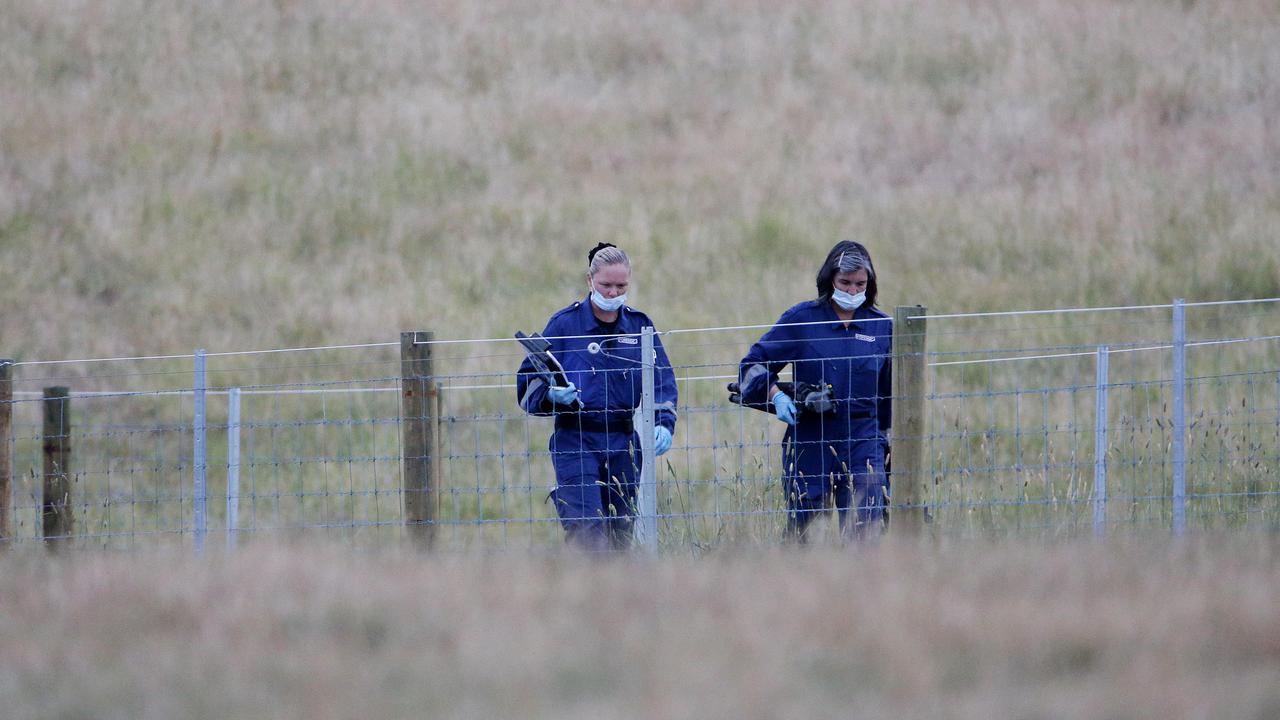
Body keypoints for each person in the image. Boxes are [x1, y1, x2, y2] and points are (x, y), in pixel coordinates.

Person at [516, 243, 678, 551]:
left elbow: (662, 380)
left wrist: (664, 422)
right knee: (588, 536)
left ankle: (614, 597)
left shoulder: (640, 325)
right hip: (576, 438)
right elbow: (527, 380)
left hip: (623, 442)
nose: (614, 293)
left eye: (621, 286)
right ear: (590, 281)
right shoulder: (565, 325)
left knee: (620, 535)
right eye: (606, 285)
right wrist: (551, 396)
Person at [737, 240, 891, 541]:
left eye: (859, 284)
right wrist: (776, 395)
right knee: (805, 535)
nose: (851, 291)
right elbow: (752, 365)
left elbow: (893, 392)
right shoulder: (802, 319)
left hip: (865, 440)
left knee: (866, 532)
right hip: (811, 438)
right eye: (844, 282)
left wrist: (891, 439)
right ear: (829, 279)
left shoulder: (882, 326)